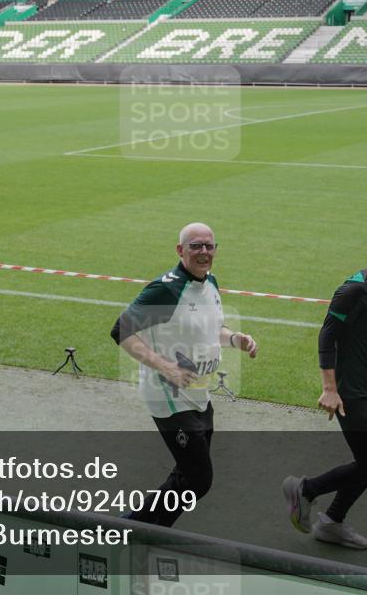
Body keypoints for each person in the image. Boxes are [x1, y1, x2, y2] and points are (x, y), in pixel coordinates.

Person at [111, 222, 257, 526]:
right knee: (199, 478)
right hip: (167, 395)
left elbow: (212, 328)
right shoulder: (166, 289)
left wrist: (235, 339)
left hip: (198, 393)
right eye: (196, 246)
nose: (204, 252)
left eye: (209, 246)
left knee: (186, 473)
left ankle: (139, 527)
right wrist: (164, 366)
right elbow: (121, 330)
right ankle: (136, 528)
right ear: (180, 250)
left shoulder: (209, 281)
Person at [282, 217, 367, 549]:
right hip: (351, 394)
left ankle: (331, 522)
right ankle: (305, 490)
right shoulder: (356, 287)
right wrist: (330, 388)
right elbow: (328, 335)